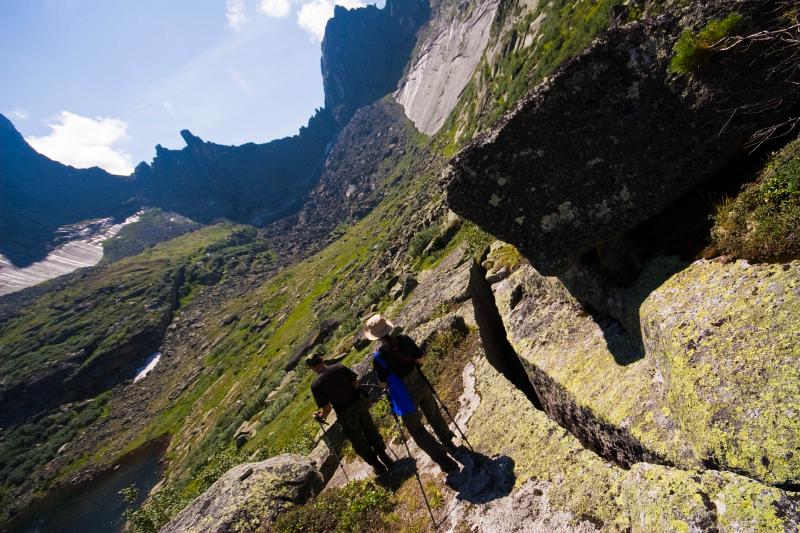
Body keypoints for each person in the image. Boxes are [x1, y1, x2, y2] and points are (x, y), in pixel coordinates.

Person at [365, 314, 460, 473]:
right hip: (420, 384)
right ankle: (448, 442)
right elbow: (421, 360)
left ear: (375, 338)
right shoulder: (404, 339)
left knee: (417, 430)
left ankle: (444, 461)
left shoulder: (379, 358)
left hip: (405, 397)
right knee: (434, 414)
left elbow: (384, 383)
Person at [307, 351, 395, 475]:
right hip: (358, 404)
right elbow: (355, 382)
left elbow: (327, 409)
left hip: (344, 413)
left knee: (357, 439)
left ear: (312, 368)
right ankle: (385, 457)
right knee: (370, 430)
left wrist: (321, 416)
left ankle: (377, 466)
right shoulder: (339, 367)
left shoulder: (316, 385)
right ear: (322, 359)